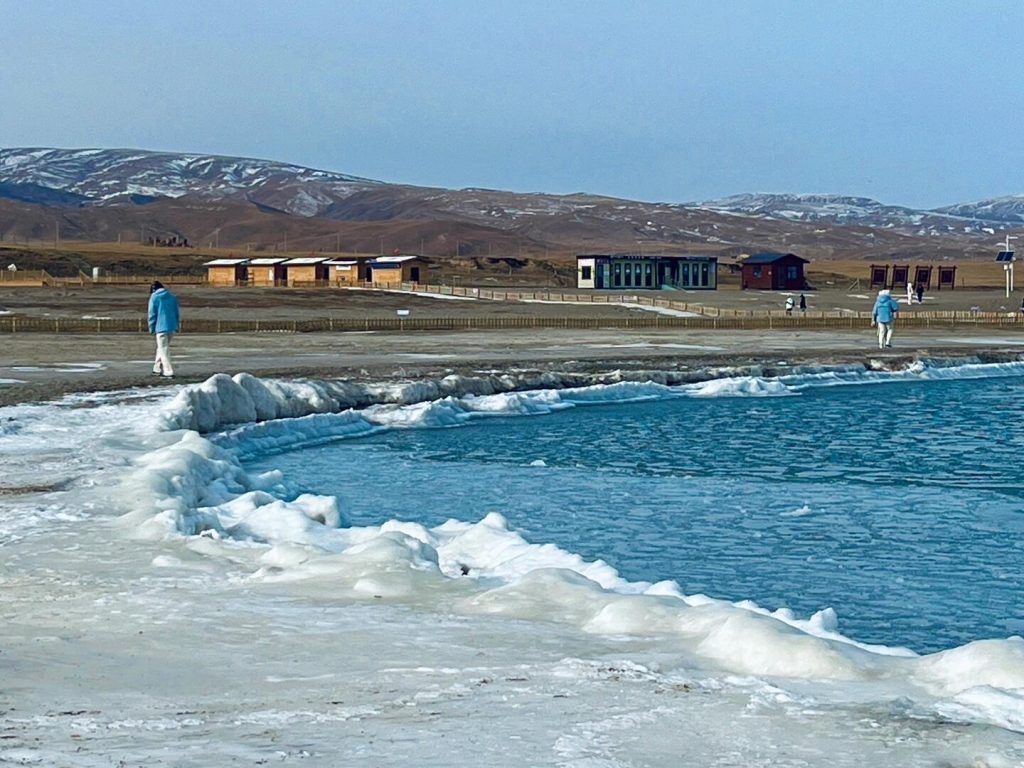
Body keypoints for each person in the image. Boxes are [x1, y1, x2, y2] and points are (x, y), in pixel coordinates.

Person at [148, 281, 180, 378]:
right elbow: (176, 312)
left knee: (164, 349)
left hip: (160, 327)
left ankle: (168, 371)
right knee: (162, 348)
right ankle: (156, 368)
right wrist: (177, 325)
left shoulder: (154, 297)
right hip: (171, 326)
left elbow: (152, 314)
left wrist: (151, 327)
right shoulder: (172, 297)